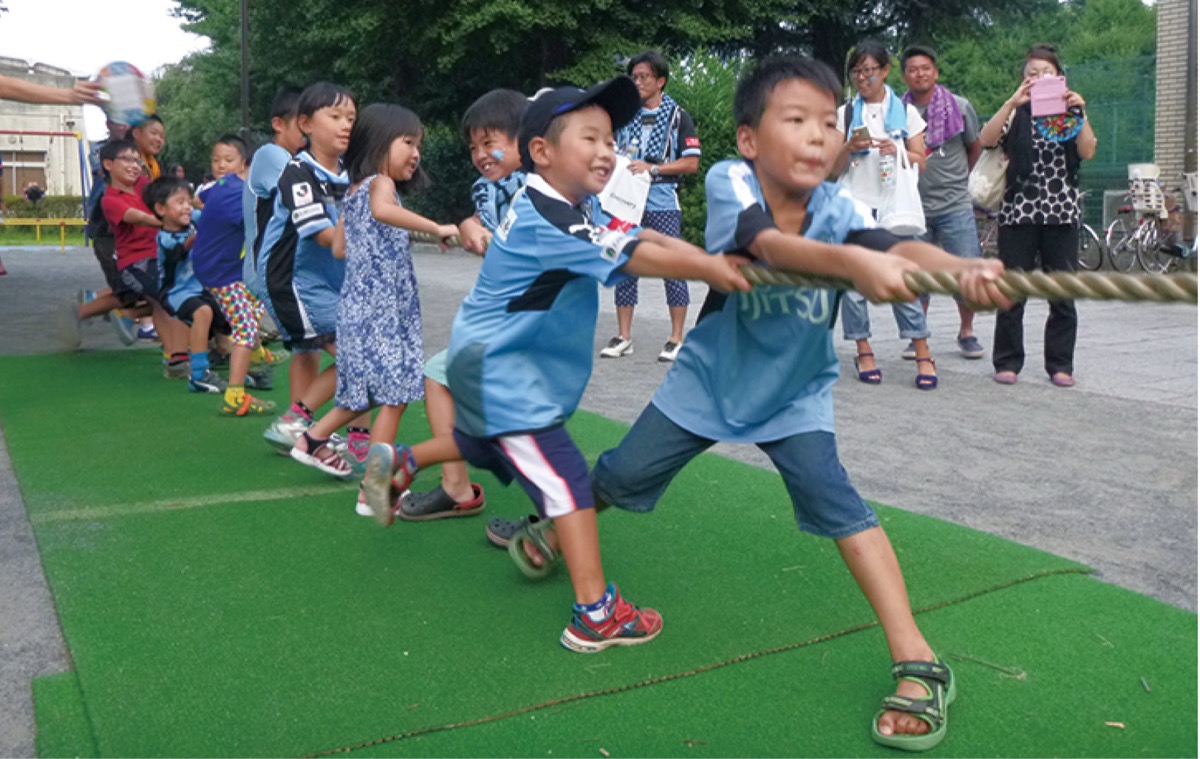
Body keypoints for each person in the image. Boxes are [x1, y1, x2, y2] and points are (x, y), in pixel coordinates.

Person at [584, 55, 1009, 750]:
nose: (818, 135)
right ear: (750, 137)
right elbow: (765, 242)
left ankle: (918, 659)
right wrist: (855, 265)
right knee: (624, 475)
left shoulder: (839, 208)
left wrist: (963, 270)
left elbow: (889, 243)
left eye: (828, 121)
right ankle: (558, 526)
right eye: (796, 120)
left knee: (836, 501)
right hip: (709, 381)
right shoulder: (730, 180)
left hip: (794, 393)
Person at [359, 77, 751, 653]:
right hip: (502, 372)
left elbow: (636, 232)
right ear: (541, 151)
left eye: (611, 139)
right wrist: (718, 273)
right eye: (589, 138)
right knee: (567, 481)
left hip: (488, 360)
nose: (606, 151)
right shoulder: (552, 220)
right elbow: (635, 254)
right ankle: (596, 613)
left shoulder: (567, 206)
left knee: (488, 445)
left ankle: (402, 461)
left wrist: (713, 259)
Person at [290, 104, 461, 493]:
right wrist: (436, 228)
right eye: (408, 142)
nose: (416, 153)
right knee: (394, 395)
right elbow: (383, 212)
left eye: (418, 145)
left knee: (369, 392)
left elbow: (339, 249)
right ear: (380, 142)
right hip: (382, 309)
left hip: (358, 306)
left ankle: (312, 440)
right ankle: (374, 484)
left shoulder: (352, 193)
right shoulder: (379, 185)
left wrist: (387, 240)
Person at [394, 88, 529, 524]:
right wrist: (472, 227)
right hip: (501, 318)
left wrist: (480, 235)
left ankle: (411, 462)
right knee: (439, 374)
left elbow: (523, 250)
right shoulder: (490, 190)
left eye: (490, 143)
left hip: (530, 324)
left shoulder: (539, 188)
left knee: (523, 429)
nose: (480, 154)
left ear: (528, 140)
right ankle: (455, 486)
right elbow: (489, 236)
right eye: (473, 146)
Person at [258, 83, 370, 460]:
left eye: (351, 119)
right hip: (293, 281)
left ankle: (352, 438)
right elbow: (324, 236)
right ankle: (297, 422)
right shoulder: (298, 173)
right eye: (335, 117)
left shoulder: (353, 172)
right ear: (305, 124)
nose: (345, 126)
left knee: (310, 351)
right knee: (358, 355)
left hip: (332, 281)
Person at [979, 44, 1097, 388]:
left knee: (1061, 293)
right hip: (1019, 214)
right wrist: (1012, 103)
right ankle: (1007, 361)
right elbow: (987, 139)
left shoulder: (1069, 113)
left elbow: (1087, 151)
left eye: (1046, 73)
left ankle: (1060, 364)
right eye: (1031, 73)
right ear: (1023, 80)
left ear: (1059, 78)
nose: (1038, 78)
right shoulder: (1017, 112)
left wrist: (1082, 113)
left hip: (1061, 214)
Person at [831, 40, 936, 390]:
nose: (862, 78)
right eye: (857, 71)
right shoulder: (845, 114)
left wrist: (900, 149)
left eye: (869, 70)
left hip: (894, 207)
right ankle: (864, 349)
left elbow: (921, 159)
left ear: (885, 70)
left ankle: (922, 351)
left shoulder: (905, 114)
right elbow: (830, 169)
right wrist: (848, 147)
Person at [600, 50, 702, 363]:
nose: (639, 82)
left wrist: (653, 168)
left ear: (661, 81)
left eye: (645, 77)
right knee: (625, 263)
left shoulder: (677, 116)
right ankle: (624, 336)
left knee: (671, 266)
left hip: (661, 199)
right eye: (635, 77)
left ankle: (675, 337)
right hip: (626, 200)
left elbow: (692, 163)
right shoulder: (623, 116)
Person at [900, 45, 987, 360]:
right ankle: (917, 335)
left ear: (935, 72)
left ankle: (967, 332)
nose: (920, 73)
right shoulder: (898, 111)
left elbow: (974, 148)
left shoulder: (960, 107)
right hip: (913, 206)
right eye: (913, 69)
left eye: (926, 68)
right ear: (904, 75)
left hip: (954, 205)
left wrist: (960, 181)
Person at [191, 134, 283, 416]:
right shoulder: (238, 196)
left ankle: (256, 356)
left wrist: (210, 220)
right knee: (244, 326)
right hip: (220, 271)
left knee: (256, 296)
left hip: (225, 265)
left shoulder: (223, 184)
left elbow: (200, 197)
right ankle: (235, 396)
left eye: (226, 160)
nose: (220, 165)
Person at [96, 139, 189, 373]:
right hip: (135, 264)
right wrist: (168, 220)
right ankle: (177, 354)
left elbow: (166, 197)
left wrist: (189, 206)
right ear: (108, 164)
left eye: (137, 161)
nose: (135, 165)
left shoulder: (143, 186)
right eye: (127, 160)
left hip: (158, 256)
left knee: (164, 302)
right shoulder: (110, 199)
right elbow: (139, 217)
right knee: (165, 300)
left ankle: (175, 355)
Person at [144, 176, 230, 395]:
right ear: (161, 209)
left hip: (200, 288)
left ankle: (233, 358)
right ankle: (199, 374)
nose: (187, 207)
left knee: (230, 312)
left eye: (188, 202)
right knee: (203, 312)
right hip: (175, 292)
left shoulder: (193, 219)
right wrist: (198, 237)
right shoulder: (165, 237)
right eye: (180, 202)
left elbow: (214, 215)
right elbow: (180, 250)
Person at [131, 115, 166, 181]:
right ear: (136, 133)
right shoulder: (127, 162)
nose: (158, 139)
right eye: (153, 133)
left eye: (162, 136)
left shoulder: (158, 166)